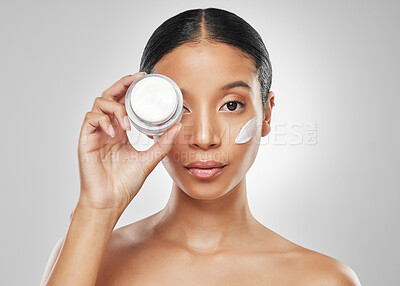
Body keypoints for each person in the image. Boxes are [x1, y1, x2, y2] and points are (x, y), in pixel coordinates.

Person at [41, 7, 361, 285]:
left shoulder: (322, 279)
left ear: (267, 113)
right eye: (180, 107)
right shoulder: (87, 257)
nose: (205, 137)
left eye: (231, 105)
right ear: (147, 115)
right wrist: (96, 209)